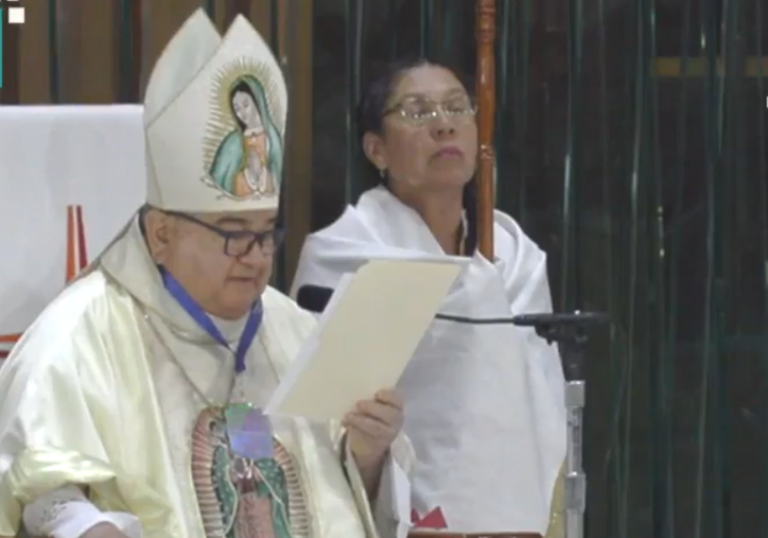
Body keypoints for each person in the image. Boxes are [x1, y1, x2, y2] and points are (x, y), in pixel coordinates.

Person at [0, 10, 413, 538]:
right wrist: (88, 526)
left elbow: (350, 492)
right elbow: (40, 485)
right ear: (162, 235)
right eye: (231, 232)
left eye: (266, 232)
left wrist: (369, 455)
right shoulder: (81, 335)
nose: (256, 255)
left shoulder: (294, 331)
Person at [291, 58, 566, 536]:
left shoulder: (515, 255)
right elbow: (315, 425)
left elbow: (545, 403)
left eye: (457, 107)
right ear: (376, 150)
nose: (444, 124)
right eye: (417, 112)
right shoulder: (345, 253)